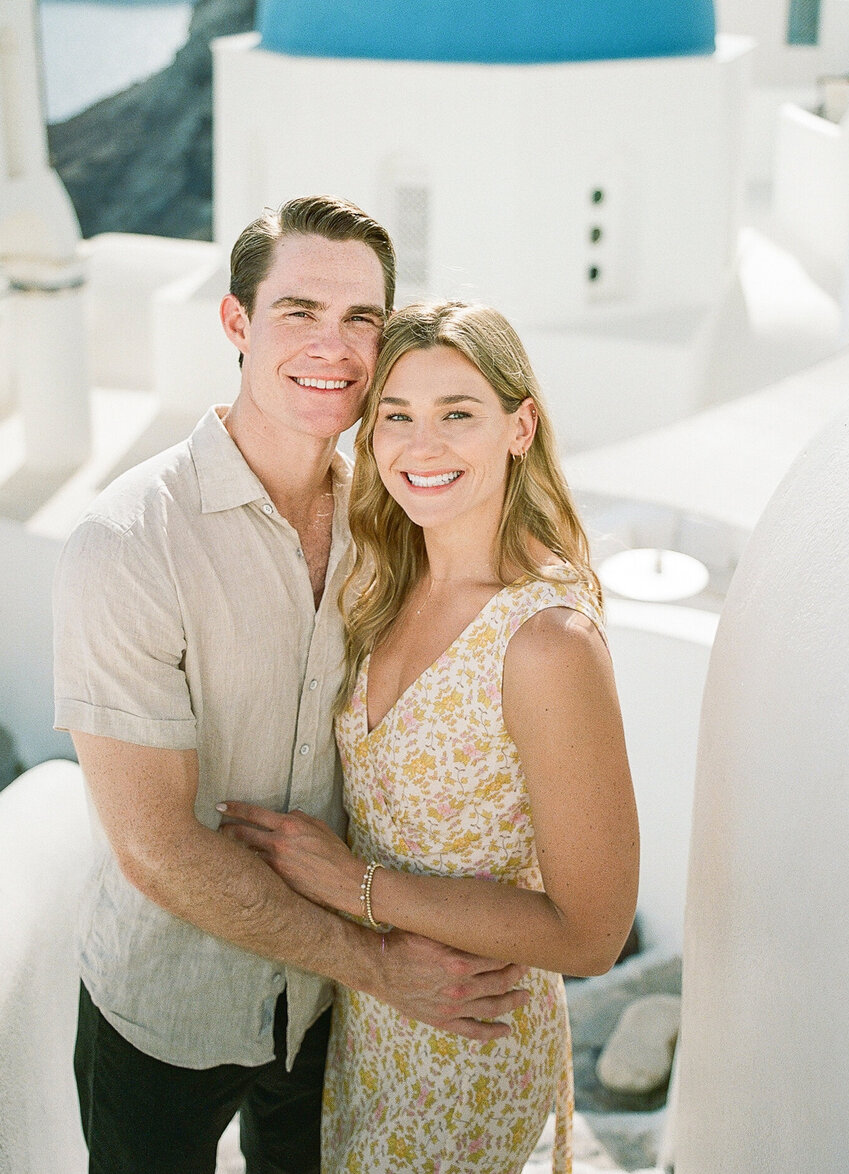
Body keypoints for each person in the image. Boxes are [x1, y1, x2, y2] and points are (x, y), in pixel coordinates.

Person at [53, 201, 529, 1174]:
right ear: (236, 323)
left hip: (321, 1020)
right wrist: (381, 967)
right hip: (164, 1010)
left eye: (362, 319)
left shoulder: (396, 523)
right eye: (299, 310)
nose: (336, 347)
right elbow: (155, 846)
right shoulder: (129, 543)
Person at [221, 300, 639, 1174]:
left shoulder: (547, 641)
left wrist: (352, 882)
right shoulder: (381, 582)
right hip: (370, 1022)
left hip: (468, 1047)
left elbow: (593, 932)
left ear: (520, 426)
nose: (423, 445)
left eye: (458, 413)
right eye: (396, 417)